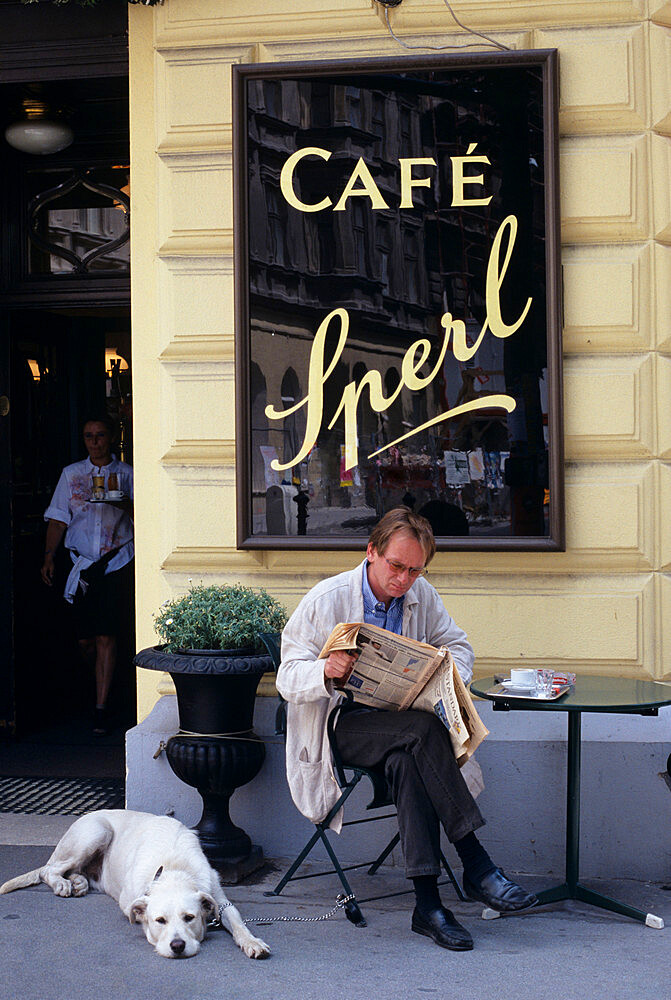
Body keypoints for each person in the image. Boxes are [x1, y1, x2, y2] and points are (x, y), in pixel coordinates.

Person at [277, 507, 536, 951]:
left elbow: (457, 644)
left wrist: (448, 676)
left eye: (415, 570)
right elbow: (286, 677)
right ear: (372, 551)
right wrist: (326, 669)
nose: (404, 580)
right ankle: (477, 864)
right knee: (419, 731)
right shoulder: (327, 598)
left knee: (408, 758)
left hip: (402, 732)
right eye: (396, 566)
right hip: (341, 728)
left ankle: (428, 905)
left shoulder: (422, 594)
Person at [41, 416, 134, 735]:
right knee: (85, 640)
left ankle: (101, 707)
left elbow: (144, 515)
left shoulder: (126, 474)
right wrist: (48, 557)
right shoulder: (72, 474)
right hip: (79, 563)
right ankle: (96, 684)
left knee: (107, 635)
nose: (95, 441)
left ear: (111, 438)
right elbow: (57, 520)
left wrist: (126, 504)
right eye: (89, 436)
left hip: (116, 561)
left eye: (100, 435)